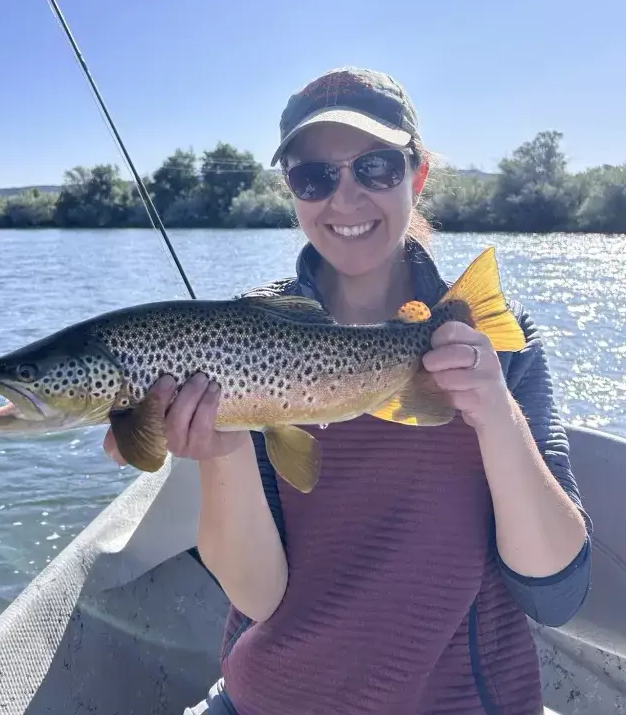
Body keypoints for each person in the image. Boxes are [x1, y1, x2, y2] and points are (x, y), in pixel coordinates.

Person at [103, 66, 592, 715]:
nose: (345, 197)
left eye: (377, 168)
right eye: (315, 176)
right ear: (293, 191)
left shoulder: (493, 335)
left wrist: (496, 412)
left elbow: (555, 595)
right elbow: (259, 600)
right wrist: (221, 454)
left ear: (417, 176)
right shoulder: (240, 335)